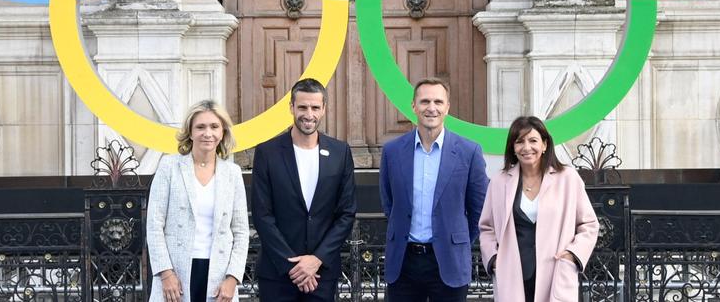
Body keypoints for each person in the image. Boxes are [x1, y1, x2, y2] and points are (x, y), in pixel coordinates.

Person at [379, 77, 489, 301]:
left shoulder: (469, 152)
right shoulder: (392, 151)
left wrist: (455, 239)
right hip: (404, 263)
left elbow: (480, 209)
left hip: (448, 262)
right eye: (425, 101)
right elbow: (389, 203)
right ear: (413, 106)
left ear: (447, 107)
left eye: (438, 102)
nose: (431, 108)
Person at [251, 78, 357, 301]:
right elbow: (262, 214)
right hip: (277, 273)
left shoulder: (340, 152)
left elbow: (346, 214)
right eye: (302, 107)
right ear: (291, 108)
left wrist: (316, 259)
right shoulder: (267, 153)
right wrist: (293, 266)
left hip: (321, 275)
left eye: (315, 107)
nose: (309, 114)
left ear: (324, 109)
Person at [478, 116, 599, 302]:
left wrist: (572, 256)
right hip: (513, 274)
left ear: (544, 144)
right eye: (519, 142)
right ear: (513, 147)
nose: (526, 147)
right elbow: (487, 228)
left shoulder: (567, 178)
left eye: (533, 140)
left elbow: (589, 225)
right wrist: (494, 259)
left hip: (556, 271)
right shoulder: (499, 181)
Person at [146, 101, 250, 302]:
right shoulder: (169, 166)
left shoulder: (233, 173)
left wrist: (233, 278)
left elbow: (241, 231)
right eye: (200, 127)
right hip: (176, 273)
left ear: (222, 132)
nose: (207, 133)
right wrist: (165, 274)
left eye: (214, 127)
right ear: (190, 132)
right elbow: (154, 225)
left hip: (219, 275)